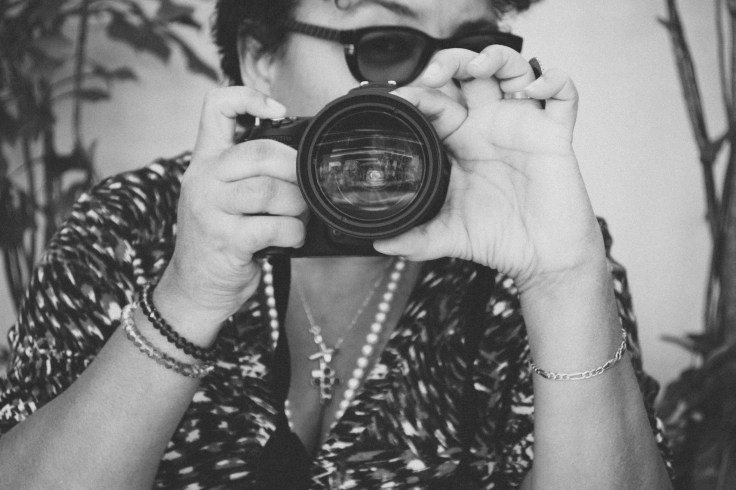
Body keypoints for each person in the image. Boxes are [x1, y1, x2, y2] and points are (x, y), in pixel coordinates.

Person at [0, 0, 674, 488]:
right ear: (261, 58)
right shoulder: (131, 225)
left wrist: (561, 280)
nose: (433, 83)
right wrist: (187, 298)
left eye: (469, 46)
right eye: (385, 45)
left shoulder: (529, 243)